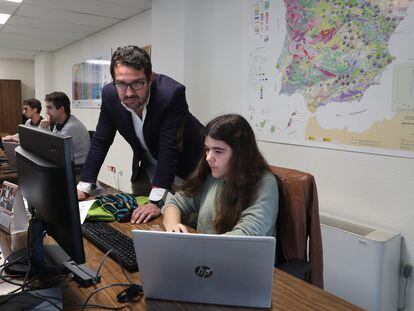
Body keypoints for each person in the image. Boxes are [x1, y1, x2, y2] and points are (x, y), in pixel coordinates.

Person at [77, 45, 204, 224]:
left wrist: (156, 201)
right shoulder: (109, 95)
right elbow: (101, 141)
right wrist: (84, 187)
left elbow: (170, 147)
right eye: (121, 83)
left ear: (150, 78)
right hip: (148, 161)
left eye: (137, 83)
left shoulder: (171, 94)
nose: (129, 93)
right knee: (138, 213)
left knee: (186, 219)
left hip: (187, 163)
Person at [162, 114, 279, 236]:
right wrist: (173, 226)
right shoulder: (213, 174)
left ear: (241, 154)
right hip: (206, 251)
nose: (208, 158)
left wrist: (199, 247)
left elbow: (245, 236)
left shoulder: (265, 183)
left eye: (218, 151)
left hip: (238, 254)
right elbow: (175, 203)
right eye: (207, 149)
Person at [39, 91, 90, 165]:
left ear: (61, 109)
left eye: (49, 108)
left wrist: (43, 129)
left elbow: (50, 152)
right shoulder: (59, 123)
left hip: (77, 170)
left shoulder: (71, 127)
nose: (47, 112)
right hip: (65, 164)